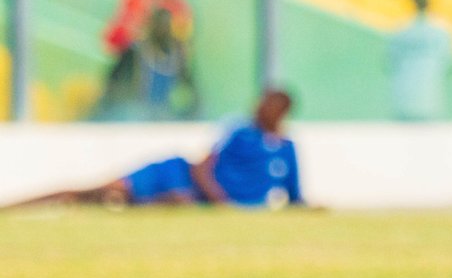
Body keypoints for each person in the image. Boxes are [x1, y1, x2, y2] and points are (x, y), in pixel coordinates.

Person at [8, 90, 305, 210]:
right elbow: (202, 168)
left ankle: (145, 203)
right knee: (101, 189)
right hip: (178, 173)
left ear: (281, 112)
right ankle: (15, 206)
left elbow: (294, 198)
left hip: (194, 198)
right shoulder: (239, 130)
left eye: (269, 106)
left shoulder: (286, 150)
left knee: (123, 201)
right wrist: (220, 201)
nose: (260, 109)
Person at [102, 0, 193, 102]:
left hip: (158, 63)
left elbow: (183, 42)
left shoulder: (176, 3)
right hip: (137, 60)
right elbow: (117, 35)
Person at [94, 7, 199, 121]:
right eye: (159, 25)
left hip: (164, 113)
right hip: (136, 112)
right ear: (151, 26)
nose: (162, 29)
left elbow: (189, 85)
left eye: (166, 25)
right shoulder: (136, 51)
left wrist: (192, 110)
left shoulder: (176, 53)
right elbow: (113, 81)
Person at [388, 0, 452, 122]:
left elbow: (390, 61)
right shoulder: (442, 32)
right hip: (430, 98)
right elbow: (449, 64)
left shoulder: (401, 31)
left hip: (404, 97)